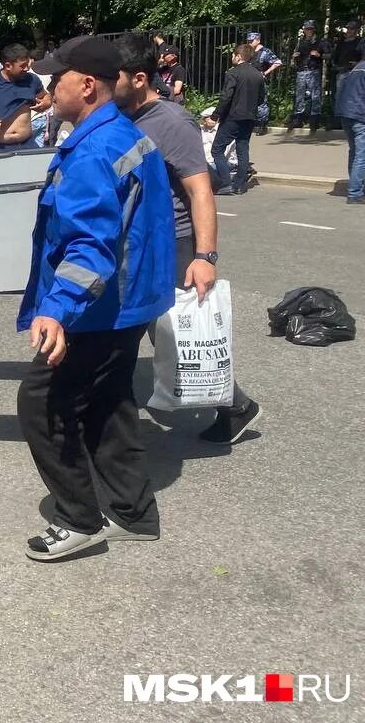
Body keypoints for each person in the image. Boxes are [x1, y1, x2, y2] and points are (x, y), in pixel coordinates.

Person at [14, 35, 174, 562]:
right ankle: (132, 512)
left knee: (42, 401)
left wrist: (56, 310)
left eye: (55, 77)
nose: (47, 85)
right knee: (109, 403)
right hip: (129, 301)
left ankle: (79, 518)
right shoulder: (123, 134)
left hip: (98, 307)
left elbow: (91, 243)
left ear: (86, 85)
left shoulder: (92, 148)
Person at [114, 34, 262, 445]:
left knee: (175, 334)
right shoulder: (121, 116)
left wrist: (205, 255)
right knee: (163, 334)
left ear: (140, 78)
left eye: (115, 77)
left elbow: (200, 190)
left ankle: (235, 405)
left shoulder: (171, 121)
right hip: (139, 243)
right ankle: (235, 405)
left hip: (174, 243)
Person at [213, 44, 265, 196]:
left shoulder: (233, 73)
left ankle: (226, 183)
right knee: (243, 149)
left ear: (239, 56)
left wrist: (216, 115)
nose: (232, 57)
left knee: (217, 149)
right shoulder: (257, 75)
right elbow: (261, 98)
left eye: (233, 55)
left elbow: (226, 97)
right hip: (250, 116)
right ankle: (240, 185)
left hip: (233, 116)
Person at [335, 55, 365, 204]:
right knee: (362, 155)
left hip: (346, 114)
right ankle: (355, 192)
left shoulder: (356, 68)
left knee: (355, 153)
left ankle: (356, 187)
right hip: (360, 115)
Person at [289, 20, 328, 133]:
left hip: (313, 71)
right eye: (307, 29)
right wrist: (294, 56)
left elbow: (329, 55)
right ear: (304, 30)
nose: (309, 31)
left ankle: (314, 119)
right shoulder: (300, 42)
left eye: (310, 29)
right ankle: (298, 118)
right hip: (301, 71)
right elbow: (294, 56)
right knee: (300, 96)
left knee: (315, 96)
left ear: (313, 29)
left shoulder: (320, 42)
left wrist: (319, 55)